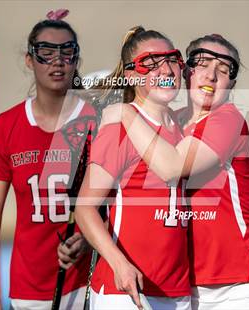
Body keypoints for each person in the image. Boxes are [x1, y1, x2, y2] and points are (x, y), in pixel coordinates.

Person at [101, 34, 249, 310]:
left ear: (231, 85)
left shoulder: (228, 119)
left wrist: (126, 114)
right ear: (186, 71)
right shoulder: (169, 124)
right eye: (203, 64)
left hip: (247, 288)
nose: (212, 75)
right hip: (191, 292)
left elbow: (171, 168)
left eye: (223, 71)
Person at [0, 10, 94, 310]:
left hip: (90, 285)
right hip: (29, 290)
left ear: (76, 60)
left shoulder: (97, 121)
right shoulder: (8, 125)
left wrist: (89, 239)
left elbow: (118, 204)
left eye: (67, 52)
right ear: (29, 60)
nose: (57, 61)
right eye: (45, 52)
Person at [74, 26, 191, 310]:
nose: (165, 70)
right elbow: (84, 208)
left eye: (171, 59)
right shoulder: (119, 128)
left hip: (178, 292)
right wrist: (119, 264)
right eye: (150, 64)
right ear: (131, 75)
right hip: (127, 292)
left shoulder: (185, 124)